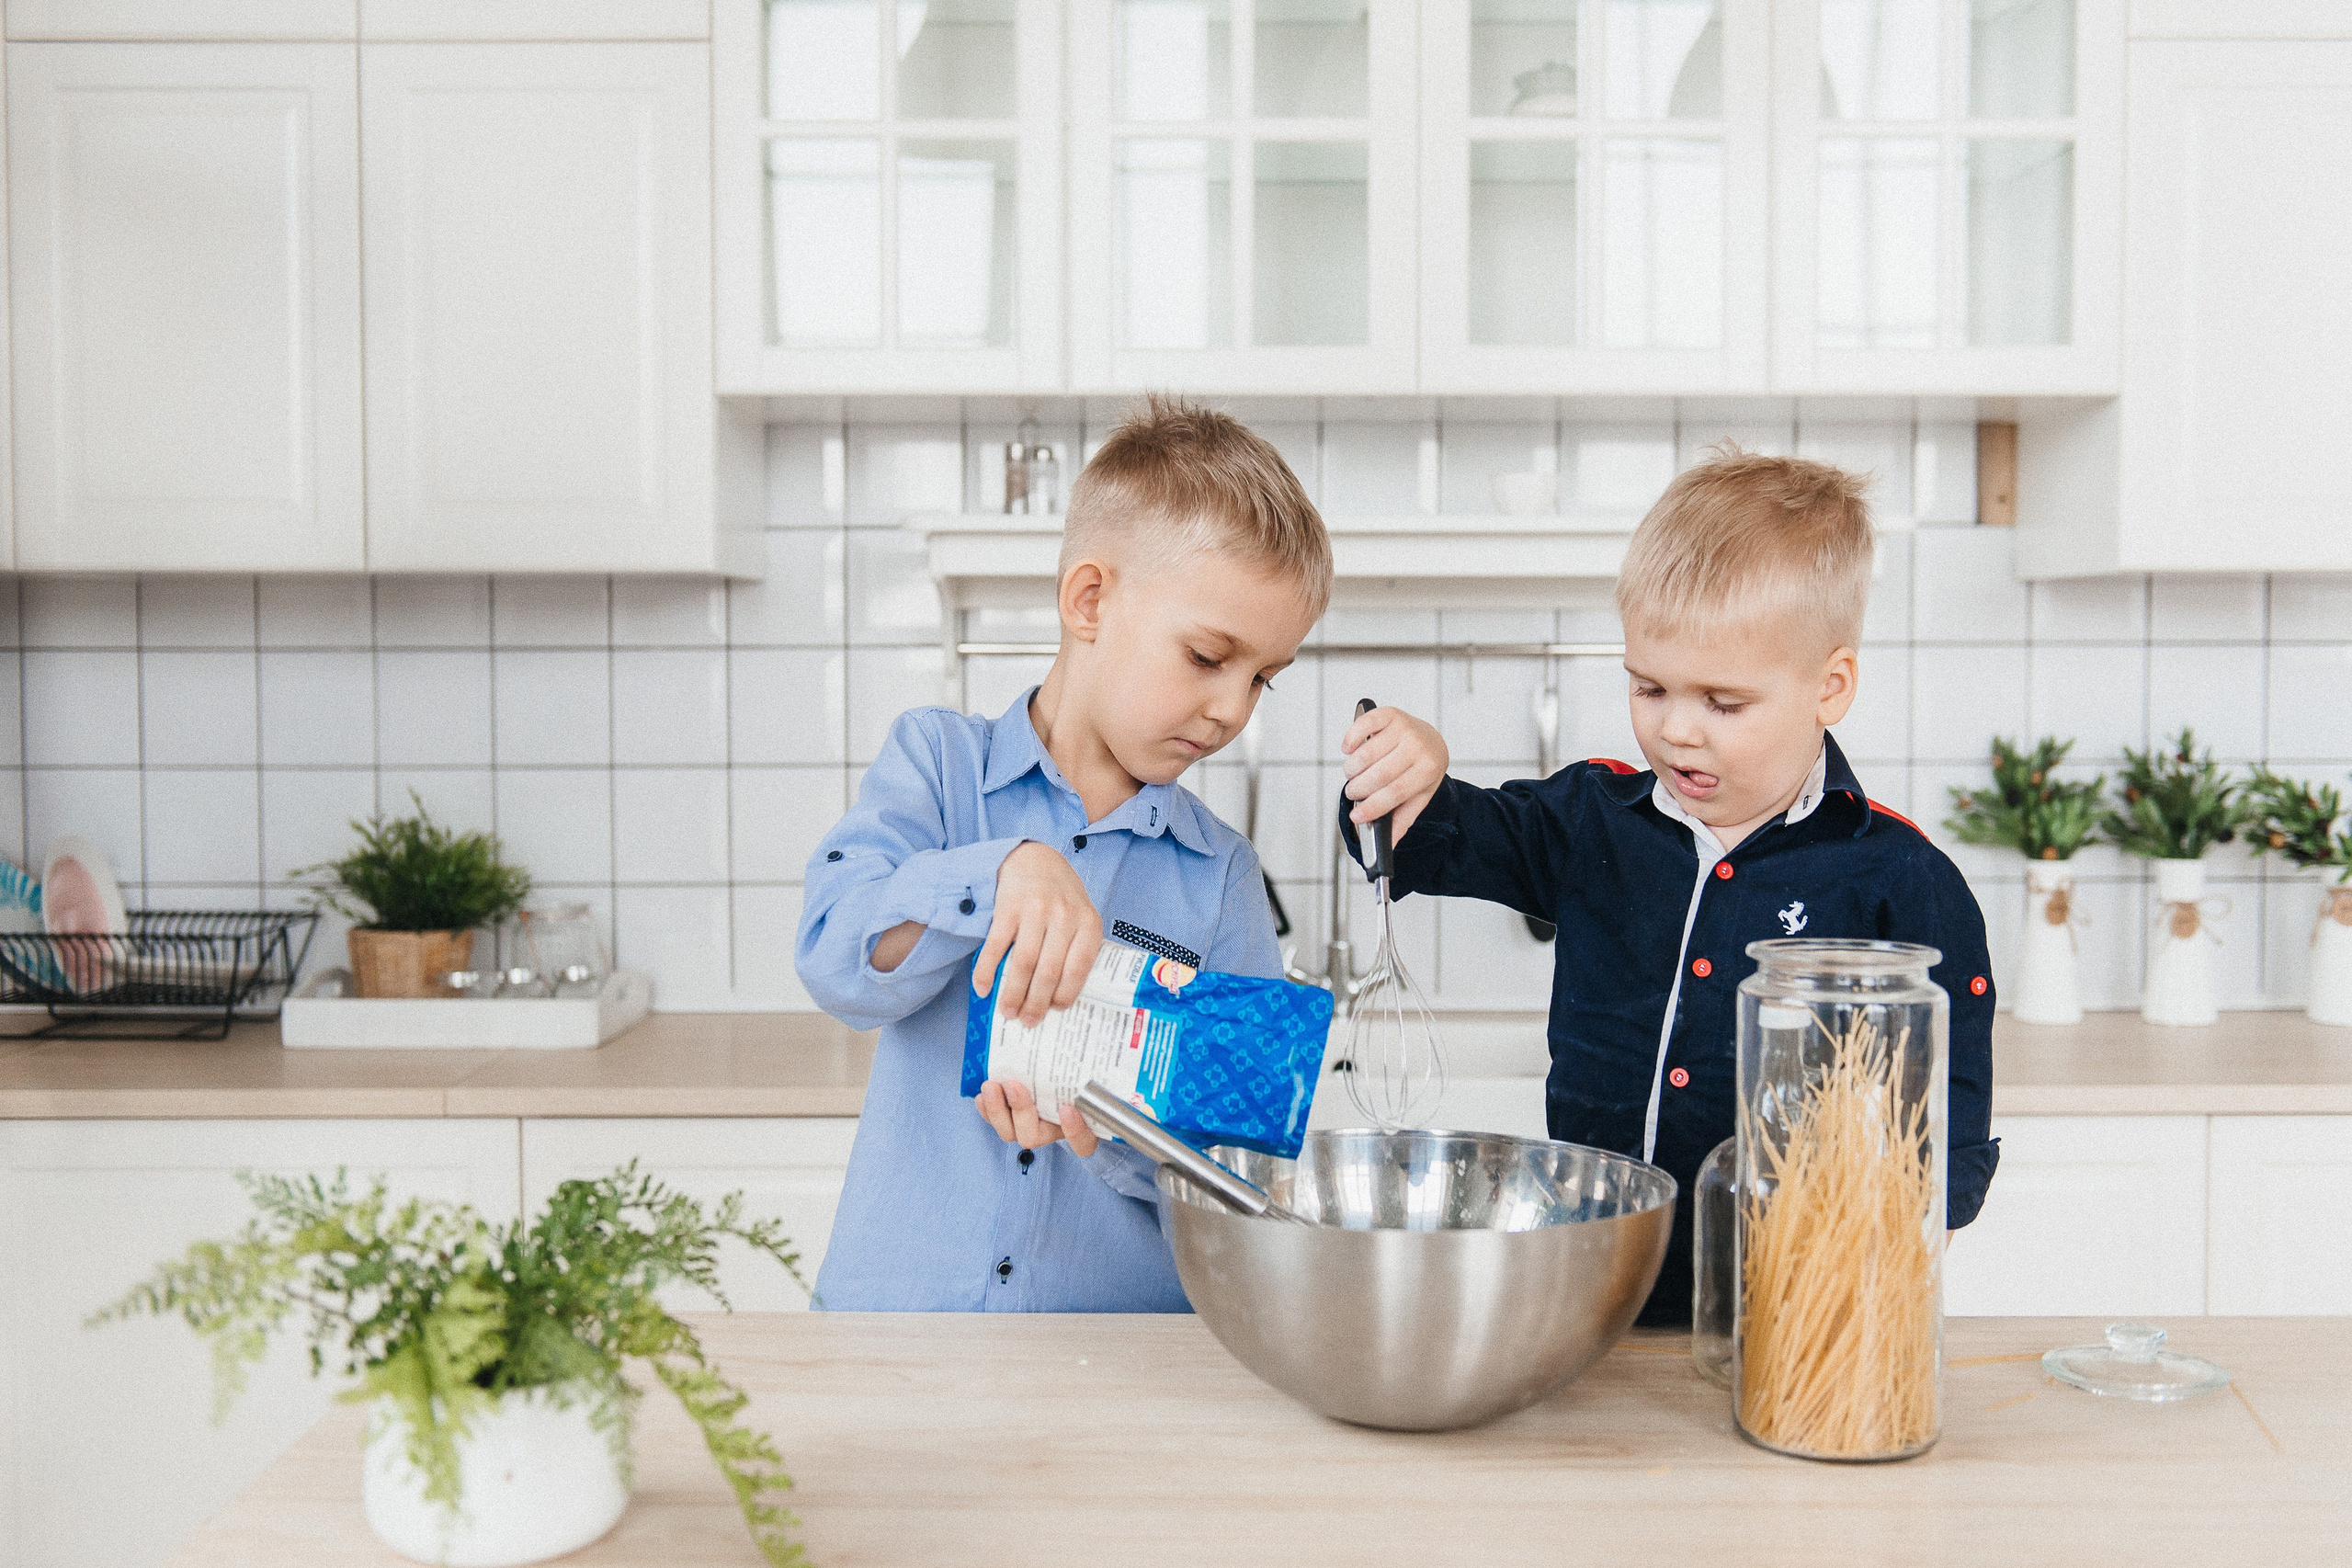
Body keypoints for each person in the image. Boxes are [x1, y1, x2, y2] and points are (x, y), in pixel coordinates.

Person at [1336, 448, 1998, 1324]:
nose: (1676, 730)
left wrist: (1907, 1241)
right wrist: (1401, 777)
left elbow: (1942, 1106)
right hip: (1593, 1286)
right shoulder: (1588, 819)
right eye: (1648, 687)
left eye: (1723, 703)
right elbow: (1428, 841)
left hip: (1790, 1303)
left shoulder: (1899, 878)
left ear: (1829, 686)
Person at [796, 396, 1331, 1312]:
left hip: (1117, 1360)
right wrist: (1000, 870)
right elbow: (839, 954)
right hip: (895, 1333)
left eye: (1261, 679)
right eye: (1208, 656)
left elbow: (1238, 1187)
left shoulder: (1222, 878)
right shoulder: (938, 765)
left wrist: (1112, 1124)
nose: (1235, 709)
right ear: (1090, 600)